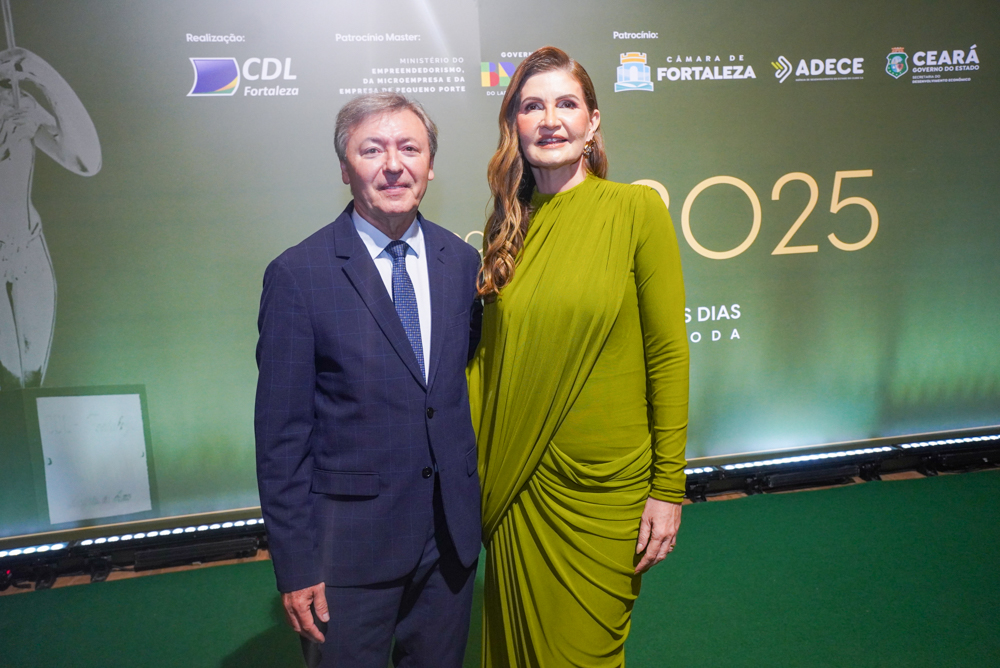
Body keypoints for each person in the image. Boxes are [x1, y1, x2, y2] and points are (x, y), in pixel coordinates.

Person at [467, 47, 690, 666]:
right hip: (515, 480)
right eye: (532, 107)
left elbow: (668, 355)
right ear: (514, 124)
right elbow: (489, 365)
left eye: (566, 104)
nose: (550, 120)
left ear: (592, 122)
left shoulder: (636, 211)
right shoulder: (506, 230)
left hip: (605, 488)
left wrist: (668, 487)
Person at [255, 92, 483, 668]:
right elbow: (281, 438)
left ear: (430, 165)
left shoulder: (461, 264)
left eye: (410, 148)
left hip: (450, 544)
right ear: (344, 167)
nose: (394, 165)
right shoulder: (297, 276)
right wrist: (296, 564)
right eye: (372, 149)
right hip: (346, 556)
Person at [0, 45, 101, 390]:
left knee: (31, 384)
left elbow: (86, 161)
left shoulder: (13, 100)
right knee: (9, 384)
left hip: (28, 247)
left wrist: (40, 72)